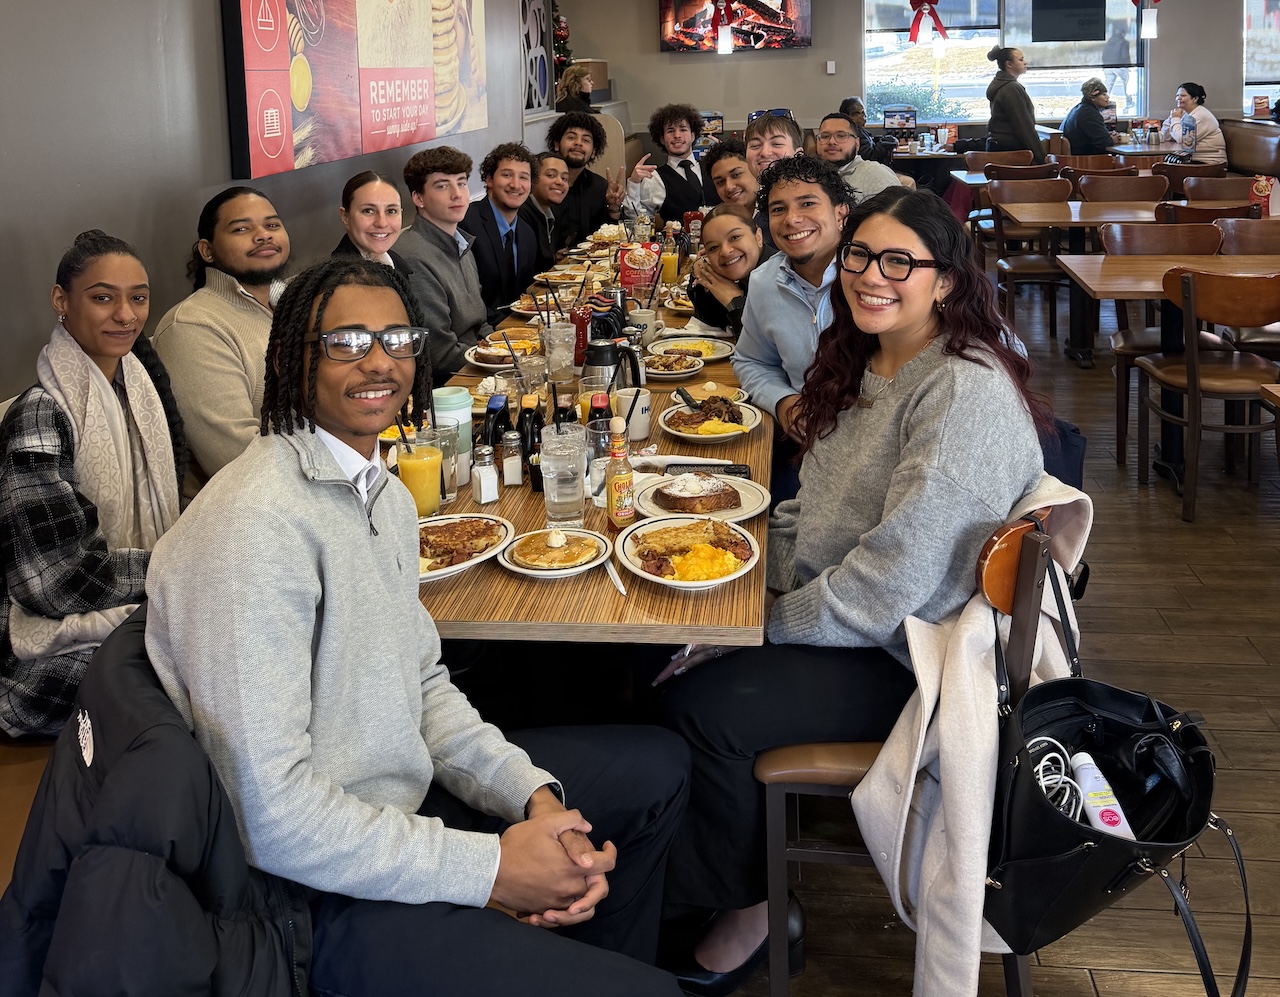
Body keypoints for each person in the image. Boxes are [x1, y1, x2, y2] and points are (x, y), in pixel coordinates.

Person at [144, 256, 690, 997]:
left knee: (657, 768)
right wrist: (493, 869)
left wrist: (533, 798)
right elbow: (271, 819)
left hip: (401, 799)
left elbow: (424, 684)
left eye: (397, 338)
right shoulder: (253, 524)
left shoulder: (384, 493)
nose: (379, 361)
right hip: (310, 898)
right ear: (291, 359)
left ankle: (574, 938)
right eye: (345, 342)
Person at [656, 187, 1053, 996]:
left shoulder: (960, 389)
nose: (873, 276)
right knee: (663, 654)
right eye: (862, 257)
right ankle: (680, 875)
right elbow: (815, 504)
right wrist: (739, 576)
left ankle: (753, 915)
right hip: (862, 620)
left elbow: (891, 586)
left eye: (900, 261)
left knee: (704, 707)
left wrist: (758, 624)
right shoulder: (871, 360)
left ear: (945, 281)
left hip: (916, 660)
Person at [0, 231, 184, 736]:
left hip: (127, 611)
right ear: (62, 301)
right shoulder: (40, 416)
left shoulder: (140, 389)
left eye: (138, 297)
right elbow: (53, 583)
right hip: (44, 656)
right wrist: (180, 568)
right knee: (211, 675)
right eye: (103, 297)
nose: (126, 315)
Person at [152, 186, 290, 499]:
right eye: (242, 228)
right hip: (247, 520)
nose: (263, 235)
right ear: (207, 250)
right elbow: (240, 461)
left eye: (272, 225)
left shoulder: (295, 304)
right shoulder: (192, 326)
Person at [395, 146, 492, 381]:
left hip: (476, 363)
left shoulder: (460, 241)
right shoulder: (412, 255)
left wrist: (505, 348)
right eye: (442, 186)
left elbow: (481, 322)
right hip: (450, 382)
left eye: (461, 183)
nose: (457, 194)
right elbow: (439, 354)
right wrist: (500, 362)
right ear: (418, 198)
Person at [461, 142, 538, 326]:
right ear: (489, 180)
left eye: (524, 177)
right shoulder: (467, 224)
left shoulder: (527, 234)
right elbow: (469, 300)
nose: (515, 184)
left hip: (519, 329)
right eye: (506, 175)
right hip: (481, 331)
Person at [687, 205, 775, 335]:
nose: (725, 251)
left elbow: (762, 350)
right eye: (713, 248)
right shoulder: (743, 275)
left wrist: (736, 303)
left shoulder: (780, 278)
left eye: (735, 237)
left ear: (758, 237)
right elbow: (713, 319)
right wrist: (702, 273)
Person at [546, 112, 628, 248]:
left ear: (594, 151)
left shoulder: (599, 187)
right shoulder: (541, 184)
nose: (578, 143)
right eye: (571, 137)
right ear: (556, 144)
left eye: (586, 140)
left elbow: (608, 240)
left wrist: (613, 207)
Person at [627, 103, 720, 222]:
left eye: (683, 129)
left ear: (693, 135)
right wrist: (634, 183)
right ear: (662, 139)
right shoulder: (654, 178)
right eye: (670, 131)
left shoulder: (712, 168)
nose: (677, 135)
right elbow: (637, 219)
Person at [743, 112, 805, 250]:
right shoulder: (760, 202)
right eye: (755, 145)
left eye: (776, 143)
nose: (765, 152)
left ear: (798, 154)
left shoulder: (812, 199)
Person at [332, 170, 412, 271]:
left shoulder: (395, 264)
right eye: (368, 211)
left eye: (391, 211)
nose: (382, 223)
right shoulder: (341, 281)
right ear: (345, 217)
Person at [814, 111, 901, 204]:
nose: (831, 141)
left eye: (841, 136)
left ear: (857, 144)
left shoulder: (876, 175)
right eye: (825, 136)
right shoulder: (809, 176)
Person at [985, 46, 1045, 164]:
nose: (1025, 62)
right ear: (1009, 64)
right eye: (1021, 60)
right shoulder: (1011, 88)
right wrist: (1042, 158)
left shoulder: (1004, 85)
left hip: (1001, 148)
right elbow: (1023, 125)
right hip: (1010, 152)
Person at [520, 152, 571, 273]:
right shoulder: (521, 213)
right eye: (551, 175)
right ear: (532, 179)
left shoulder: (552, 212)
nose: (560, 182)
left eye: (565, 178)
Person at [1159, 82, 1227, 164]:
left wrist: (1175, 119)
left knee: (1163, 169)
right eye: (1177, 95)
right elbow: (1165, 136)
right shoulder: (1185, 114)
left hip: (1210, 163)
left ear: (1195, 99)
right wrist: (1171, 118)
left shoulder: (1200, 115)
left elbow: (1183, 139)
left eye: (1183, 96)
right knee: (1161, 168)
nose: (1178, 98)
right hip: (1191, 159)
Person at [1061, 78, 1121, 157]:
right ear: (1093, 98)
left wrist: (1107, 135)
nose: (1108, 97)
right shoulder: (1089, 114)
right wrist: (1114, 139)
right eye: (1104, 94)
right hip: (1084, 160)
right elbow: (1104, 142)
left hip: (1076, 156)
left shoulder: (1080, 108)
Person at [701, 139, 758, 210]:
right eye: (720, 182)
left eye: (736, 175)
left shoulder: (773, 212)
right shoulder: (719, 218)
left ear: (755, 169)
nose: (729, 187)